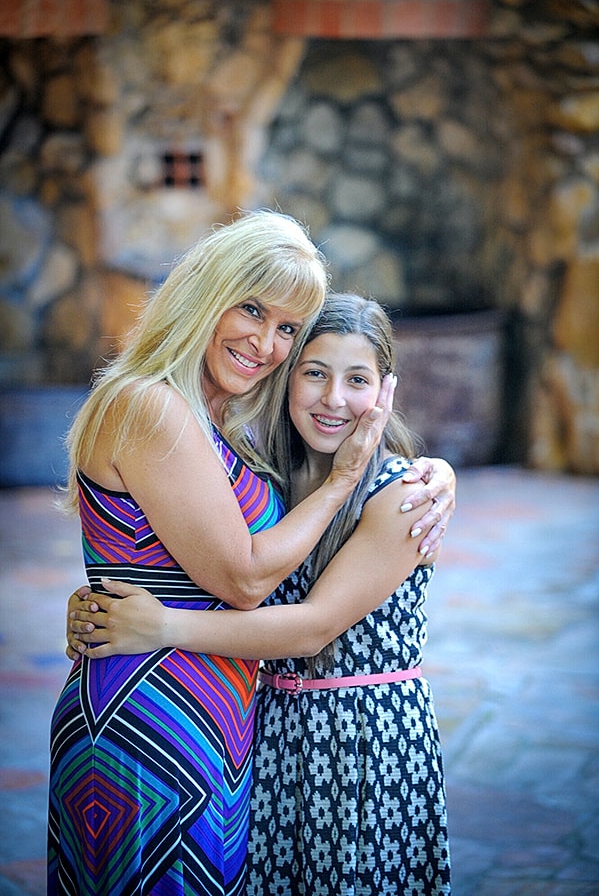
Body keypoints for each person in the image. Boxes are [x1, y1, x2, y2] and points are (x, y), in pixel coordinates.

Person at [50, 211, 454, 896]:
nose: (265, 343)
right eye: (252, 309)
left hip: (224, 720)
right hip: (152, 717)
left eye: (286, 329)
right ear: (207, 293)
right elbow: (241, 577)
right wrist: (342, 483)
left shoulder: (222, 424)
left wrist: (433, 470)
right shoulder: (152, 405)